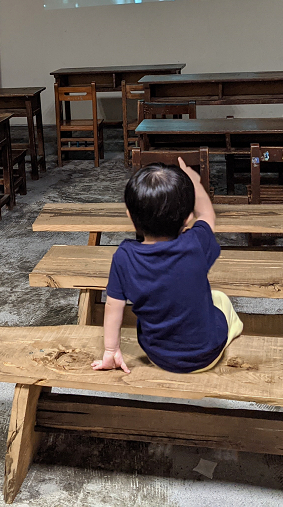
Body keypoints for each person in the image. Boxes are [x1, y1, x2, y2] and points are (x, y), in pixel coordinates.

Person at [92, 159, 243, 375]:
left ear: (131, 218)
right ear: (188, 219)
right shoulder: (196, 242)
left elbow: (113, 307)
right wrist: (195, 181)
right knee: (221, 299)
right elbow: (208, 215)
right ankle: (234, 330)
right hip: (207, 355)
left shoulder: (124, 257)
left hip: (158, 356)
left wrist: (111, 350)